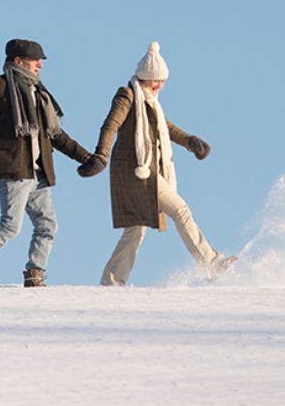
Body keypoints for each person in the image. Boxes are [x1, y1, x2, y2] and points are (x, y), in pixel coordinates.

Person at [77, 41, 236, 285]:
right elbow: (111, 125)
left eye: (162, 80)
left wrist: (189, 141)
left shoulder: (150, 102)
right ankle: (211, 261)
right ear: (146, 78)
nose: (160, 85)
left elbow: (166, 126)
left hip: (143, 170)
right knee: (180, 210)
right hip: (137, 170)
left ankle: (111, 281)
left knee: (135, 230)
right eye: (156, 80)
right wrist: (101, 155)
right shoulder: (128, 95)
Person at [0, 39, 94, 288]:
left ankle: (34, 274)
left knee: (47, 224)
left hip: (37, 172)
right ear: (18, 61)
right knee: (11, 225)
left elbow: (55, 134)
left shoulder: (39, 93)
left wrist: (85, 157)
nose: (40, 65)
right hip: (12, 168)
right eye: (35, 60)